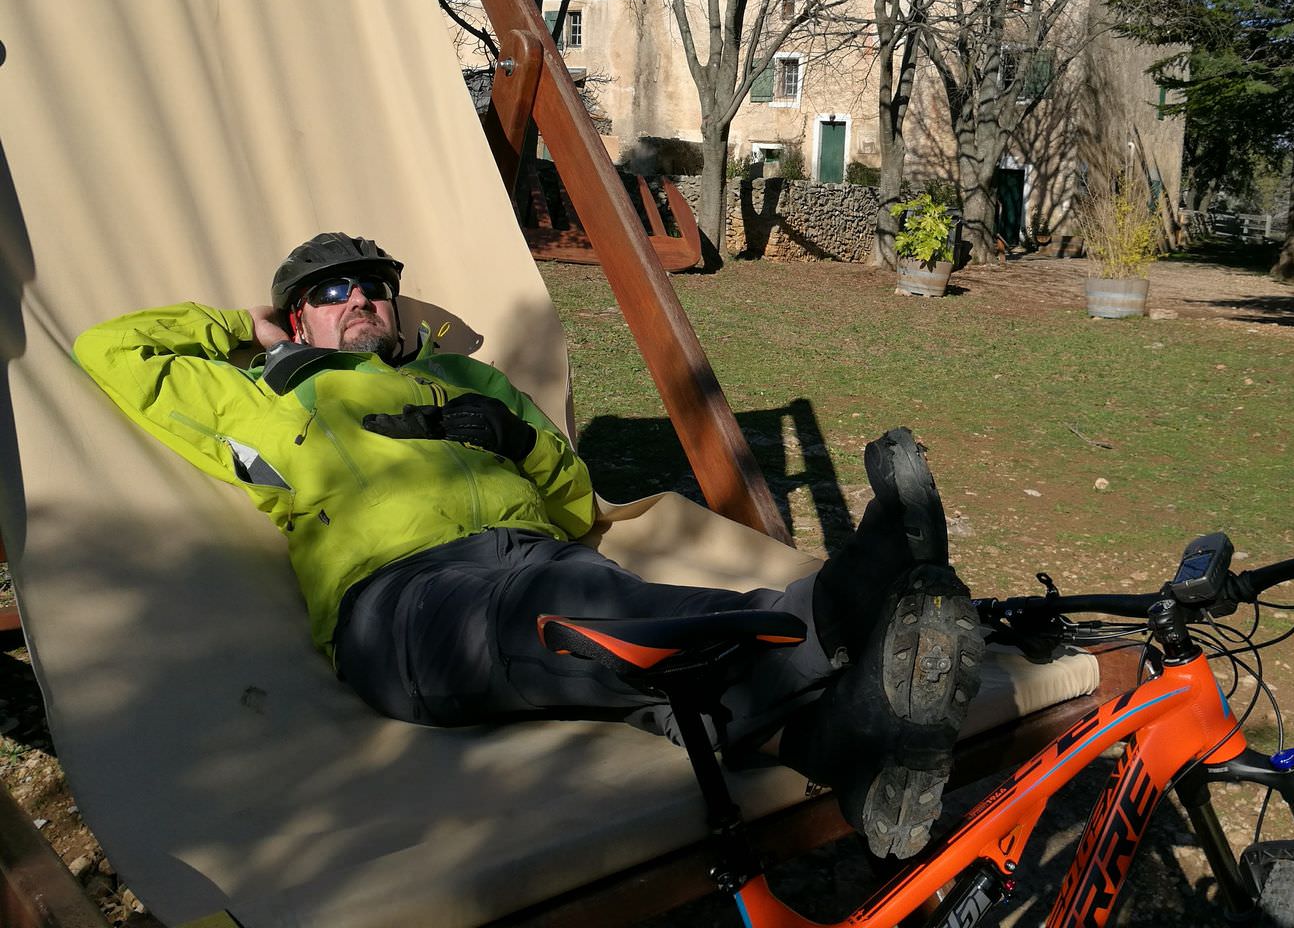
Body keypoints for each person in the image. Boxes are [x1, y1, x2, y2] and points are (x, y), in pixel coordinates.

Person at [74, 231, 986, 860]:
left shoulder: (467, 376)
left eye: (373, 288)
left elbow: (571, 498)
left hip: (541, 559)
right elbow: (109, 350)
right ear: (301, 316)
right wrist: (248, 331)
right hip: (404, 606)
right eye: (330, 292)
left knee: (630, 639)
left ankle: (852, 749)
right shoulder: (267, 400)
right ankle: (835, 609)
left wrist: (514, 438)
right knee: (575, 611)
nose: (360, 300)